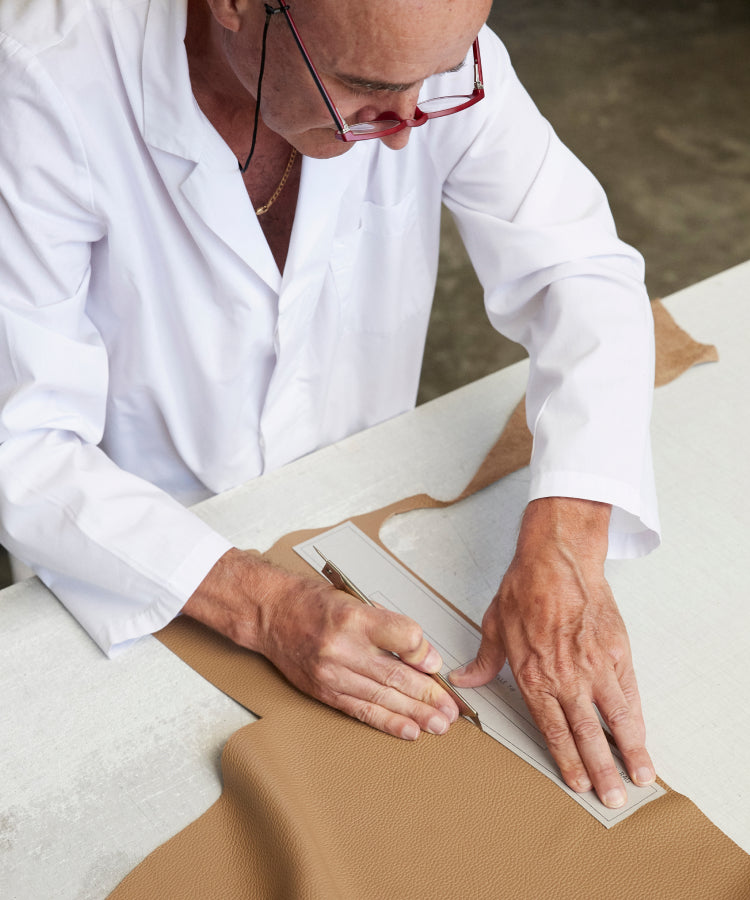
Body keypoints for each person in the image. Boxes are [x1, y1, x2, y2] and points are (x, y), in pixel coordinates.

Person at [0, 0, 659, 809]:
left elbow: (581, 272)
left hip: (356, 506)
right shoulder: (39, 81)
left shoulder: (424, 55)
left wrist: (568, 537)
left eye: (434, 80)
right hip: (122, 551)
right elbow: (21, 444)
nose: (409, 127)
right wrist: (267, 608)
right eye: (363, 85)